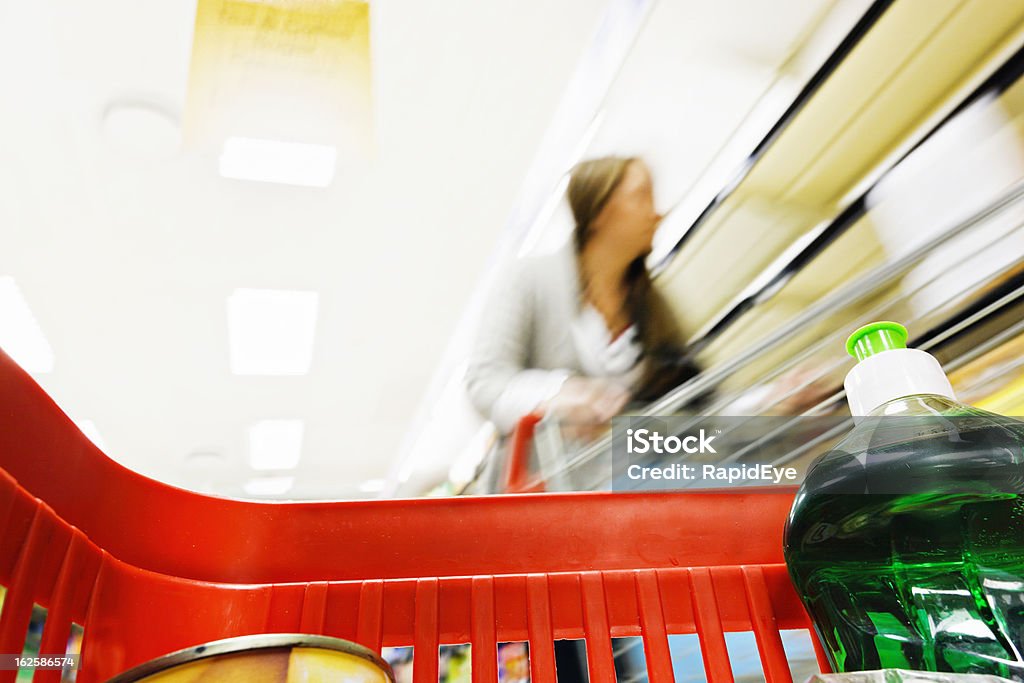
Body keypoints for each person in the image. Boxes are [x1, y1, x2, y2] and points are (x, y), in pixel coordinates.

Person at [466, 155, 695, 444]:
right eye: (641, 197)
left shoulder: (653, 306)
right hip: (549, 483)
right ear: (599, 211)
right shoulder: (528, 280)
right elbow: (484, 382)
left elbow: (692, 404)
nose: (656, 213)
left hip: (626, 480)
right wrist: (558, 393)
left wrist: (756, 406)